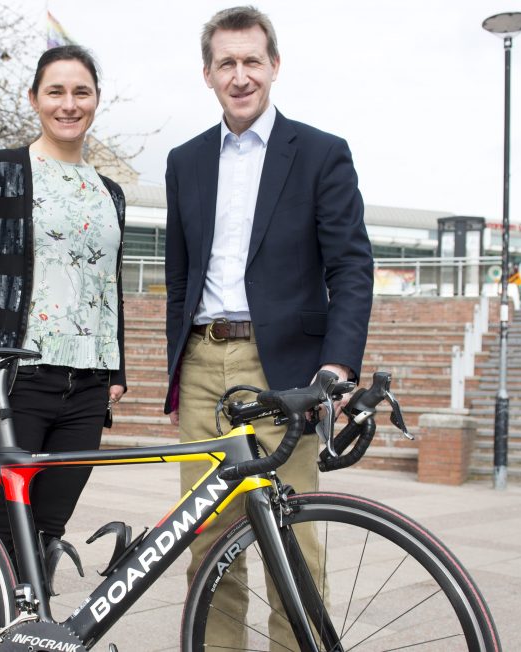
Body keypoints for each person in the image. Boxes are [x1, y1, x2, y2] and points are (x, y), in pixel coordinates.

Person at [163, 5, 374, 648]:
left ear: (274, 66)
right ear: (208, 74)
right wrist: (175, 375)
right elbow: (179, 277)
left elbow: (351, 267)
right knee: (210, 547)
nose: (241, 74)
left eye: (252, 60)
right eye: (226, 62)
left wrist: (336, 367)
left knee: (294, 546)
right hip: (203, 366)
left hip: (282, 370)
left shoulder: (319, 153)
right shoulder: (184, 160)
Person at [0, 44, 128, 639]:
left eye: (81, 92)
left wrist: (116, 365)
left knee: (44, 534)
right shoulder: (5, 170)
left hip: (87, 388)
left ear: (96, 100)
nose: (70, 104)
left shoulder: (108, 190)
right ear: (35, 100)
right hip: (17, 380)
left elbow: (105, 284)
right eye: (56, 92)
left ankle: (18, 640)